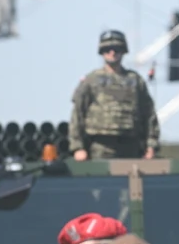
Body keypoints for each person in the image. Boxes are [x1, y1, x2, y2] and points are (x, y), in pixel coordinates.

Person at [68, 31, 161, 161]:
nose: (112, 52)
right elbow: (77, 114)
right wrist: (78, 148)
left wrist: (151, 146)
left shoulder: (135, 81)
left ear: (123, 51)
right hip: (100, 146)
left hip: (131, 145)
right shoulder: (92, 80)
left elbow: (149, 114)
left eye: (117, 49)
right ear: (102, 51)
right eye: (107, 49)